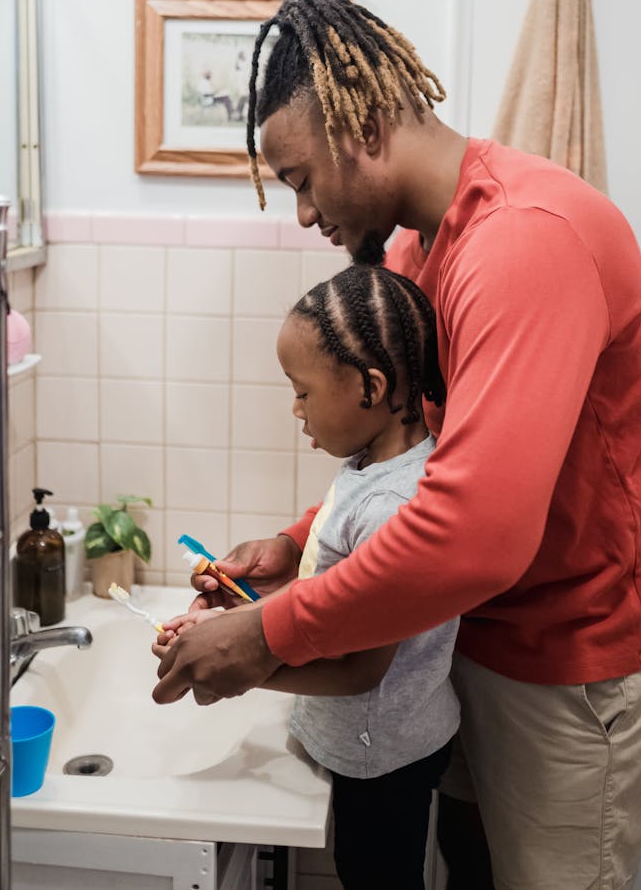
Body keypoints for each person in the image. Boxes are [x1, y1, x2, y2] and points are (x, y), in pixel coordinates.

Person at [153, 0, 641, 890]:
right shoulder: (416, 251)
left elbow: (472, 529)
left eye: (299, 180)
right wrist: (297, 542)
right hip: (467, 643)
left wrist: (269, 635)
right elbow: (418, 456)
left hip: (573, 666)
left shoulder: (524, 244)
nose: (300, 214)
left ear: (364, 126)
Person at [156, 264, 458, 890]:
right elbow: (336, 593)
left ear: (370, 388)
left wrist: (240, 661)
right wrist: (237, 615)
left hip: (385, 758)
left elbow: (361, 668)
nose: (294, 408)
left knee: (375, 876)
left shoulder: (393, 508)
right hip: (374, 743)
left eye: (302, 390)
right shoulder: (373, 464)